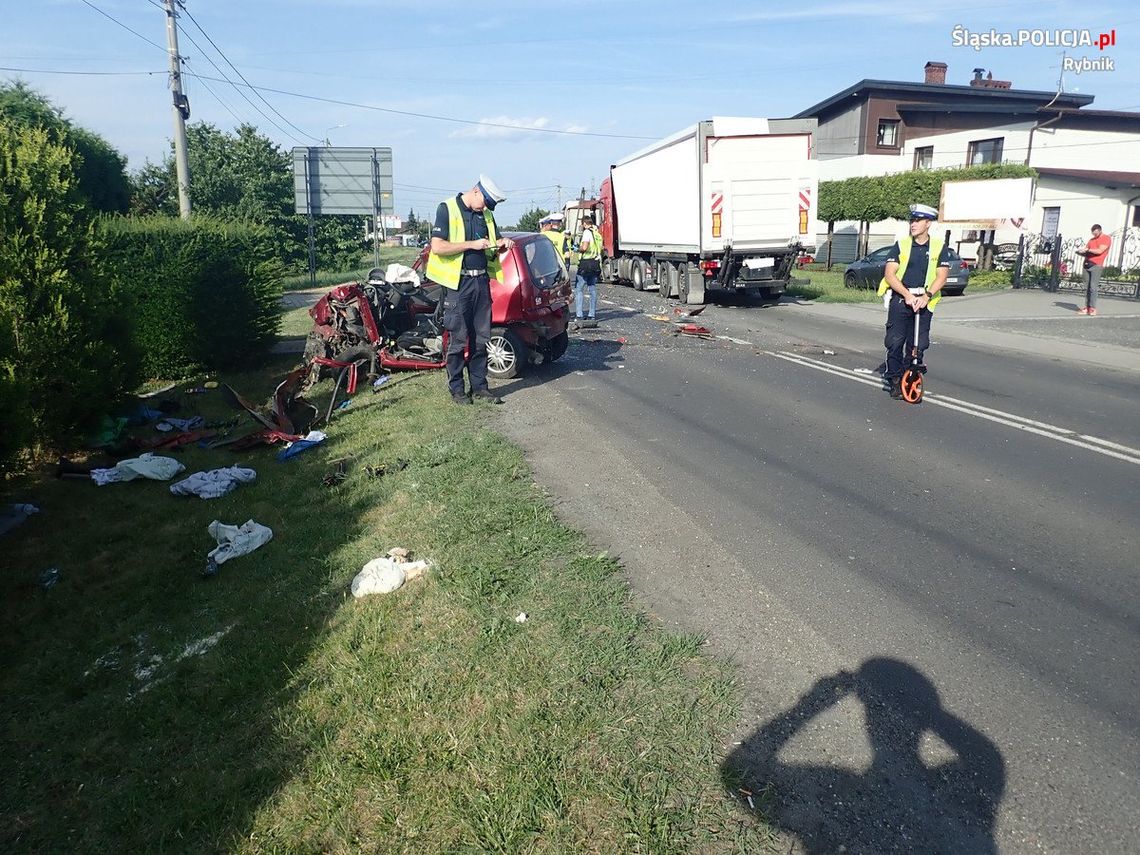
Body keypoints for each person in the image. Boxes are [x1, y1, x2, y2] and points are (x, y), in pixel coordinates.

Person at [427, 174, 514, 405]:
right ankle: (457, 390)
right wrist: (471, 245)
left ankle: (480, 387)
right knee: (458, 339)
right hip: (458, 285)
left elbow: (492, 244)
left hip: (481, 283)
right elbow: (437, 247)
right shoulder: (446, 208)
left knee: (481, 338)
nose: (486, 207)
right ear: (476, 191)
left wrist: (502, 244)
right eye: (485, 201)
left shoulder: (485, 215)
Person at [877, 204, 952, 399]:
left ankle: (909, 376)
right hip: (902, 299)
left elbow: (942, 276)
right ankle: (894, 378)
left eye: (917, 221)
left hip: (924, 301)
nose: (913, 224)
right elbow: (890, 274)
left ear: (928, 223)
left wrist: (926, 296)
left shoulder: (938, 247)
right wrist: (907, 295)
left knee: (918, 344)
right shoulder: (901, 245)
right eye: (912, 220)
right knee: (895, 342)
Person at [1075, 223, 1112, 316]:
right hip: (1087, 264)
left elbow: (1100, 251)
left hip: (1096, 265)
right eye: (1093, 234)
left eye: (1096, 233)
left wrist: (1088, 250)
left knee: (1093, 287)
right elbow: (1087, 249)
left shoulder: (1106, 238)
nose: (1094, 235)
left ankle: (1092, 308)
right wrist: (1082, 251)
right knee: (1086, 287)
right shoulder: (1091, 240)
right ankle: (1086, 307)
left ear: (1100, 230)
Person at [575, 213, 602, 326]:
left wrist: (577, 249)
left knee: (579, 289)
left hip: (586, 263)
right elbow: (601, 248)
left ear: (585, 224)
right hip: (595, 263)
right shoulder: (597, 234)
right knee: (592, 289)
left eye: (582, 224)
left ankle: (579, 315)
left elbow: (585, 247)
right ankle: (592, 314)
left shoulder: (586, 233)